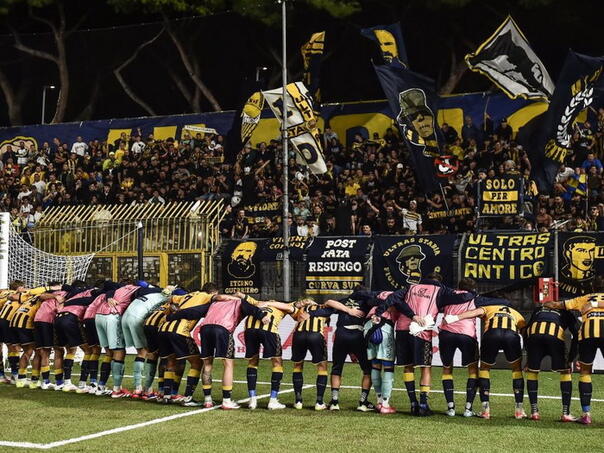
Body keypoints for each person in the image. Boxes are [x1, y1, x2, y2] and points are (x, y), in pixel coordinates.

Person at [376, 273, 475, 416]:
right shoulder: (440, 289)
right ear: (439, 281)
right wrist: (473, 293)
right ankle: (423, 405)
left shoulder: (411, 287)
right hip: (422, 331)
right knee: (425, 367)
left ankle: (413, 404)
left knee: (408, 367)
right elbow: (463, 297)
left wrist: (379, 312)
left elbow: (393, 298)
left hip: (403, 329)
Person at [444, 296, 527, 420]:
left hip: (491, 335)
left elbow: (473, 313)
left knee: (484, 369)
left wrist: (455, 318)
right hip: (511, 335)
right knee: (516, 369)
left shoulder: (489, 307)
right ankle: (519, 410)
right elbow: (524, 331)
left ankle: (485, 410)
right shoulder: (516, 313)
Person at [543, 276, 604, 425]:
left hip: (588, 334)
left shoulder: (584, 298)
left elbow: (556, 305)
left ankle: (586, 414)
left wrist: (546, 298)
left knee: (585, 372)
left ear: (593, 287)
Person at [197, 288, 268, 409]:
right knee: (228, 364)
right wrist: (262, 316)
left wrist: (175, 315)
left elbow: (195, 311)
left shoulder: (215, 303)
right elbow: (251, 309)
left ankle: (207, 400)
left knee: (207, 364)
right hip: (222, 329)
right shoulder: (239, 302)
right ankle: (226, 401)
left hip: (205, 328)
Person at [325, 288, 385, 412]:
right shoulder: (367, 301)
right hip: (357, 335)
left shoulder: (344, 301)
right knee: (368, 370)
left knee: (336, 368)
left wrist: (347, 310)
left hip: (341, 334)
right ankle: (363, 402)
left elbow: (328, 302)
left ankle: (334, 402)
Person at [240, 295, 305, 410]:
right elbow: (294, 310)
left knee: (252, 362)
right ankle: (273, 400)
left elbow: (241, 297)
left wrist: (267, 303)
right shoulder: (284, 306)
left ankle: (252, 400)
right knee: (277, 363)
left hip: (250, 330)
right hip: (269, 330)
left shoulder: (259, 303)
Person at [525, 295, 579, 421]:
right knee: (565, 372)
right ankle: (565, 413)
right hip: (554, 337)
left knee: (532, 371)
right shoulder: (566, 312)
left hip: (534, 336)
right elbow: (577, 334)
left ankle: (534, 412)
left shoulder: (538, 309)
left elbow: (527, 330)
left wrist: (528, 357)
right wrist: (571, 359)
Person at [161, 285, 217, 406]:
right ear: (212, 292)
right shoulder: (206, 296)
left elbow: (169, 299)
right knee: (197, 362)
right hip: (179, 331)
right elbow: (217, 299)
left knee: (171, 361)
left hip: (164, 329)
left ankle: (166, 395)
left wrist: (175, 309)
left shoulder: (187, 295)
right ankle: (188, 398)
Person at [120, 282, 172, 398]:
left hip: (125, 317)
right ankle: (146, 389)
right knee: (149, 353)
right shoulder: (165, 298)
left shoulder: (148, 294)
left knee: (140, 352)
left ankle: (137, 387)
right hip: (137, 317)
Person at [94, 281, 140, 398]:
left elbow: (108, 289)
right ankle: (116, 389)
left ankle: (101, 386)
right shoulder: (135, 289)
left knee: (109, 353)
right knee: (120, 351)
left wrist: (109, 297)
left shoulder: (117, 289)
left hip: (98, 316)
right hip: (112, 316)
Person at [0, 281, 26, 384]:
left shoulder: (3, 292)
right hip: (6, 321)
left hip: (1, 318)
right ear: (19, 288)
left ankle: (1, 375)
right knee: (13, 347)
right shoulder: (18, 295)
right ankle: (15, 375)